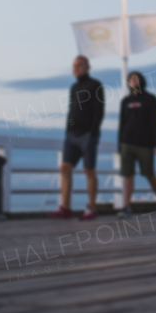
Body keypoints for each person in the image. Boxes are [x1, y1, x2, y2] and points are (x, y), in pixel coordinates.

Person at [50, 55, 104, 220]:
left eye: (80, 65)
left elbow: (99, 110)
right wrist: (68, 128)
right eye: (74, 65)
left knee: (89, 170)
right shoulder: (74, 87)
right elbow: (71, 110)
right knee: (65, 167)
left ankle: (91, 208)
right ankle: (65, 208)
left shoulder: (95, 85)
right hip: (72, 135)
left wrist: (93, 131)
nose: (76, 68)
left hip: (87, 134)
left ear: (88, 67)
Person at [118, 70, 156, 217]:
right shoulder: (125, 101)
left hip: (145, 143)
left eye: (136, 78)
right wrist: (119, 144)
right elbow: (122, 123)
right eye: (131, 78)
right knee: (127, 175)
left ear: (142, 81)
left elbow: (155, 123)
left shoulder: (150, 99)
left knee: (149, 173)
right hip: (127, 143)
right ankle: (126, 206)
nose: (134, 81)